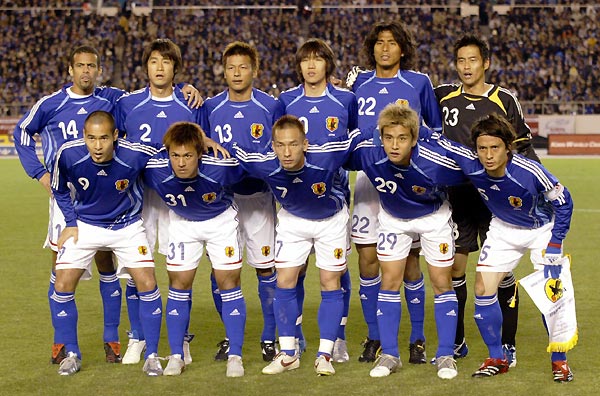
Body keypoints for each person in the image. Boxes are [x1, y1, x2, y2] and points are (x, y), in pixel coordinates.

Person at [438, 113, 574, 382]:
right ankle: (497, 357)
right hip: (503, 229)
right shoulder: (472, 164)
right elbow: (443, 144)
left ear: (508, 147)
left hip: (542, 231)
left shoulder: (531, 172)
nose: (488, 155)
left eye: (495, 148)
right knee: (482, 289)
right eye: (482, 148)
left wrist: (556, 241)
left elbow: (564, 202)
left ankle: (560, 362)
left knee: (552, 296)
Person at [14, 45, 126, 365]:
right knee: (60, 269)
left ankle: (112, 338)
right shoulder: (51, 104)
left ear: (99, 70)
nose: (86, 71)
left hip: (103, 196)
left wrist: (183, 88)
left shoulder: (111, 99)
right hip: (65, 199)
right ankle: (62, 341)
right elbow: (22, 133)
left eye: (92, 66)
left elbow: (147, 97)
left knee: (107, 263)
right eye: (80, 66)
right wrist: (40, 173)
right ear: (70, 70)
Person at [434, 34, 540, 364]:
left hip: (496, 199)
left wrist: (534, 186)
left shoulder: (504, 99)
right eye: (461, 61)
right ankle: (458, 341)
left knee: (501, 272)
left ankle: (508, 343)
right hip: (458, 198)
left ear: (486, 63)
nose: (466, 67)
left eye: (473, 60)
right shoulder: (442, 97)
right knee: (454, 270)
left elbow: (524, 149)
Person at [234, 115, 363, 376]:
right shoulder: (264, 163)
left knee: (330, 281)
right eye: (280, 145)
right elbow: (232, 152)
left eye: (293, 144)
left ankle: (325, 354)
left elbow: (359, 136)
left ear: (305, 144)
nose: (286, 151)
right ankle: (288, 353)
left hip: (331, 221)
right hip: (293, 220)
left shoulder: (327, 156)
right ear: (272, 146)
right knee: (285, 280)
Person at [345, 20, 442, 364]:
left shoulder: (418, 83)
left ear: (403, 48)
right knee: (368, 261)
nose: (385, 48)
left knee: (410, 262)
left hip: (406, 182)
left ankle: (417, 338)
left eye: (392, 42)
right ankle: (375, 337)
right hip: (370, 181)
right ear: (372, 48)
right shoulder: (358, 83)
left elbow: (434, 129)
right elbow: (348, 130)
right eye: (379, 42)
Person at [345, 103, 463, 379]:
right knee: (389, 282)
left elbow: (473, 171)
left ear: (413, 138)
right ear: (380, 137)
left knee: (441, 282)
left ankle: (445, 354)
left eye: (402, 138)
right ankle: (389, 354)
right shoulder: (369, 155)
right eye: (388, 138)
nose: (394, 145)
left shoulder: (435, 163)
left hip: (434, 218)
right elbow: (337, 155)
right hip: (393, 219)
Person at [50, 111, 163, 376]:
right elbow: (59, 188)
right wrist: (70, 221)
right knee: (62, 284)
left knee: (147, 282)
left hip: (127, 225)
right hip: (86, 225)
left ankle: (153, 355)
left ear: (115, 137)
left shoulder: (136, 154)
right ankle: (72, 354)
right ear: (84, 136)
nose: (97, 146)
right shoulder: (68, 154)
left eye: (103, 138)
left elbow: (170, 155)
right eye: (91, 138)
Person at [114, 38, 203, 365]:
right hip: (138, 202)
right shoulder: (128, 104)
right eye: (154, 61)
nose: (160, 67)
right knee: (136, 271)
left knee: (180, 272)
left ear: (175, 68)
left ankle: (182, 339)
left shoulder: (190, 104)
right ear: (146, 67)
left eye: (166, 62)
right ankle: (137, 337)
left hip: (179, 202)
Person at [199, 41, 284, 363]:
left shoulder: (270, 106)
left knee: (266, 270)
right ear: (223, 70)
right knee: (221, 272)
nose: (236, 73)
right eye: (231, 67)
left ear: (255, 70)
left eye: (243, 67)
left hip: (259, 199)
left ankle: (268, 338)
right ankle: (228, 335)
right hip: (222, 202)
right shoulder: (210, 107)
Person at [143, 121, 247, 377]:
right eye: (175, 156)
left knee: (228, 282)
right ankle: (177, 355)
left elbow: (254, 169)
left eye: (188, 155)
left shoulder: (222, 166)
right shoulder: (154, 169)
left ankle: (235, 355)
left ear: (200, 154)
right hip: (182, 222)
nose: (181, 163)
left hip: (220, 221)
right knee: (179, 283)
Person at [278, 38, 358, 362]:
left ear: (328, 64)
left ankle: (337, 336)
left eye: (318, 60)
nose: (311, 66)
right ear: (298, 66)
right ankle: (294, 337)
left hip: (333, 198)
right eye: (305, 60)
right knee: (293, 271)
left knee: (336, 272)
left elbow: (352, 143)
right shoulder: (285, 100)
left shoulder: (345, 100)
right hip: (295, 198)